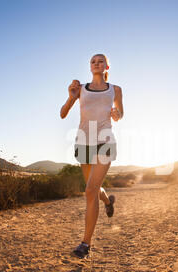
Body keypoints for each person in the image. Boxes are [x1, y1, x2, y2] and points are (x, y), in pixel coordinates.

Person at [60, 53, 124, 258]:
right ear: (90, 67)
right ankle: (108, 202)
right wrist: (71, 96)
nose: (96, 64)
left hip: (105, 141)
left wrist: (117, 114)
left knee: (89, 190)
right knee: (93, 189)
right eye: (93, 61)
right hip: (83, 142)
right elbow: (62, 113)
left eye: (100, 61)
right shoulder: (81, 89)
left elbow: (120, 113)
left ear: (106, 66)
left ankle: (85, 245)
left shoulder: (115, 90)